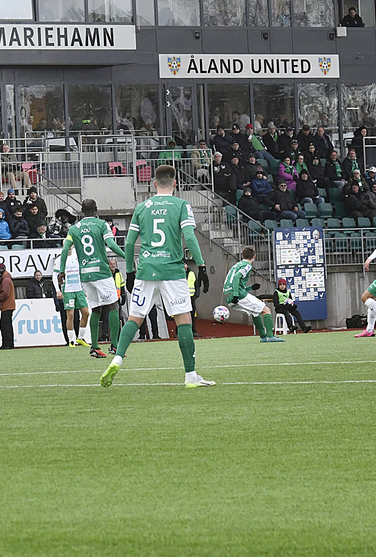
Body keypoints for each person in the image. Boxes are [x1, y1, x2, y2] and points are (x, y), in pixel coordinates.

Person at [100, 165, 213, 389]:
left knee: (135, 318)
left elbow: (130, 242)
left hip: (146, 269)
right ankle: (190, 376)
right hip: (172, 271)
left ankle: (117, 359)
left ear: (153, 183)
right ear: (175, 183)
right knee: (184, 320)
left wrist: (130, 271)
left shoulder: (142, 207)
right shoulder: (181, 205)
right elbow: (189, 237)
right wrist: (200, 265)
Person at [55, 199, 122, 357]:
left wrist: (62, 270)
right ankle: (114, 346)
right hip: (101, 272)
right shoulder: (101, 225)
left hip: (85, 274)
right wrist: (126, 255)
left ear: (81, 211)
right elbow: (111, 245)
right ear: (96, 209)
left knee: (95, 309)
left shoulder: (74, 228)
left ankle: (95, 347)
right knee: (113, 307)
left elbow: (65, 249)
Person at [221, 245, 281, 342]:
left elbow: (234, 282)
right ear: (254, 256)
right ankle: (271, 336)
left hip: (228, 295)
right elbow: (237, 277)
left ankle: (263, 337)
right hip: (236, 295)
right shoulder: (247, 265)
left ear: (242, 256)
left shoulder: (237, 265)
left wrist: (250, 288)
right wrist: (236, 294)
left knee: (255, 312)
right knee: (266, 310)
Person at [0, 261, 17, 350]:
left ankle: (7, 344)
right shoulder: (7, 279)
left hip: (7, 306)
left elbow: (4, 294)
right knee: (6, 324)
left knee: (5, 325)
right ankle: (8, 344)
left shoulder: (5, 280)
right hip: (8, 305)